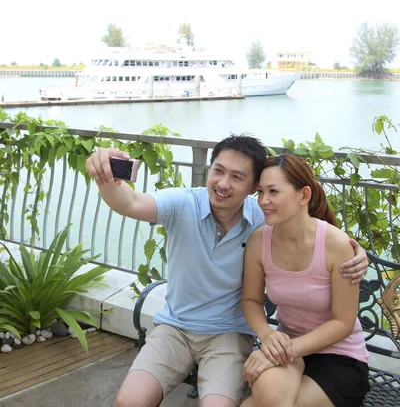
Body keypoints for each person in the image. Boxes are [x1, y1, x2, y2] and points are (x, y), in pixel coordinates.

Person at [85, 135, 369, 407]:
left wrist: (357, 252)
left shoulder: (264, 216)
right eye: (218, 171)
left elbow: (311, 230)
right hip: (178, 328)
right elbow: (130, 202)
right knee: (129, 402)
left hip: (231, 336)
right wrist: (106, 174)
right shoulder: (188, 204)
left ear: (250, 187)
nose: (223, 183)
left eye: (237, 177)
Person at [240, 153, 369, 407]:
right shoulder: (259, 241)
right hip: (289, 348)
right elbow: (251, 299)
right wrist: (267, 336)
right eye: (261, 192)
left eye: (274, 191)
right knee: (267, 393)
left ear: (304, 195)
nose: (264, 201)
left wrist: (283, 350)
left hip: (340, 357)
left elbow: (343, 323)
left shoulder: (335, 244)